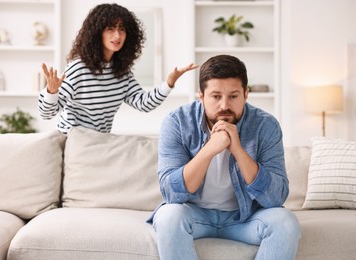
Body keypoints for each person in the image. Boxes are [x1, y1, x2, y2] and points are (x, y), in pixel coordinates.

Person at [151, 54, 301, 260]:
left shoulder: (266, 125)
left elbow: (276, 198)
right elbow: (171, 194)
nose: (224, 105)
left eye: (233, 96)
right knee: (168, 216)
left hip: (245, 218)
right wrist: (210, 149)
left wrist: (238, 150)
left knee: (285, 221)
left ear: (246, 94)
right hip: (195, 215)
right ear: (201, 96)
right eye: (215, 96)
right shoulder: (176, 122)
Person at [38, 3, 197, 134]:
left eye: (122, 29)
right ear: (97, 32)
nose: (117, 35)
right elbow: (47, 113)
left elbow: (143, 103)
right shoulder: (79, 68)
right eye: (111, 28)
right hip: (73, 144)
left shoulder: (122, 73)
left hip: (100, 144)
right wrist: (51, 92)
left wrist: (169, 83)